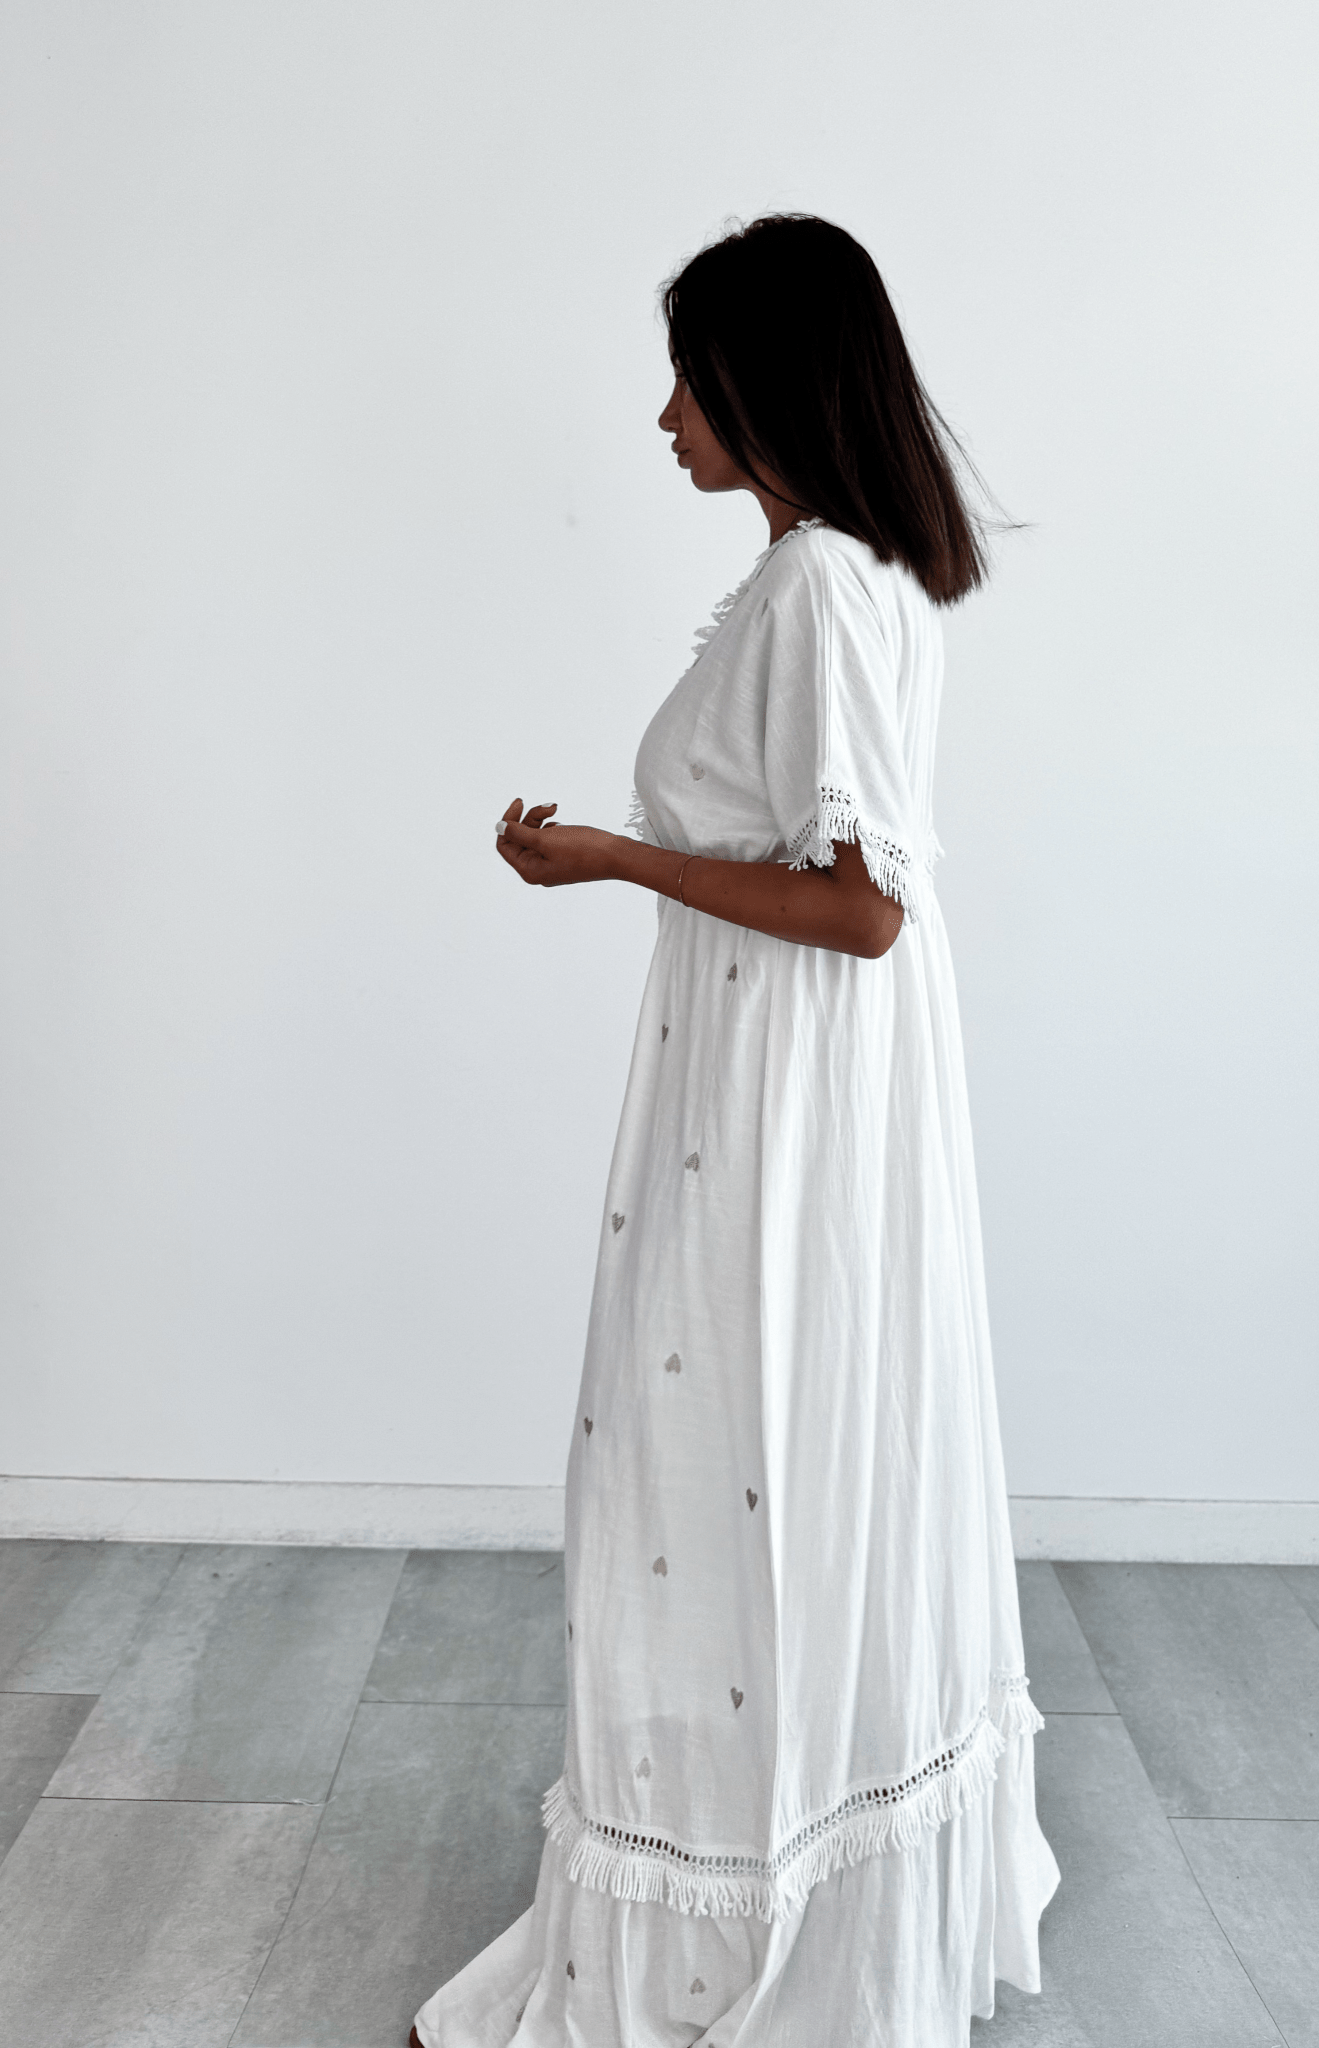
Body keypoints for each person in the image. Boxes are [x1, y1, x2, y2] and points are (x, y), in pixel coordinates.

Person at [411, 213, 1058, 2048]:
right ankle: (788, 1874)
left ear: (765, 385)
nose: (665, 417)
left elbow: (864, 908)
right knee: (772, 1456)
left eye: (689, 378)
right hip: (787, 1075)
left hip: (791, 1090)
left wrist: (615, 859)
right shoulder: (835, 579)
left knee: (716, 1450)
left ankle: (734, 1926)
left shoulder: (825, 589)